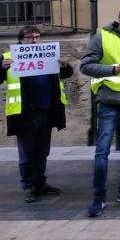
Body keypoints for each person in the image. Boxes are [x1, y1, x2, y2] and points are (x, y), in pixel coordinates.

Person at [81, 3, 120, 217]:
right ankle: (98, 199)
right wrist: (112, 69)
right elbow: (86, 66)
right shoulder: (102, 37)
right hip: (109, 102)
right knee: (102, 152)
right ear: (119, 17)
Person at [1, 26, 73, 203]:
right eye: (29, 37)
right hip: (24, 112)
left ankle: (40, 183)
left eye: (37, 36)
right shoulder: (8, 57)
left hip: (46, 111)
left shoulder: (49, 55)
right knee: (27, 152)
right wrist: (1, 67)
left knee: (42, 151)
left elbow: (67, 74)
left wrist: (64, 65)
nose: (34, 40)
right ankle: (28, 186)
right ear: (21, 40)